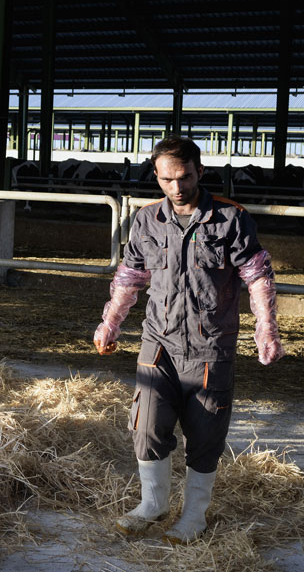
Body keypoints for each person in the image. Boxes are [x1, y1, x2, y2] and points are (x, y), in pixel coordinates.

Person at [93, 136, 284, 543]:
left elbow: (257, 275)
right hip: (157, 340)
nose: (176, 188)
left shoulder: (231, 218)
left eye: (183, 177)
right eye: (166, 179)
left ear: (200, 170)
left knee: (205, 432)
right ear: (157, 177)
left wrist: (265, 325)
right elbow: (130, 277)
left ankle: (194, 515)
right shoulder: (147, 220)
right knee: (146, 425)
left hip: (209, 345)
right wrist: (111, 322)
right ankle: (153, 504)